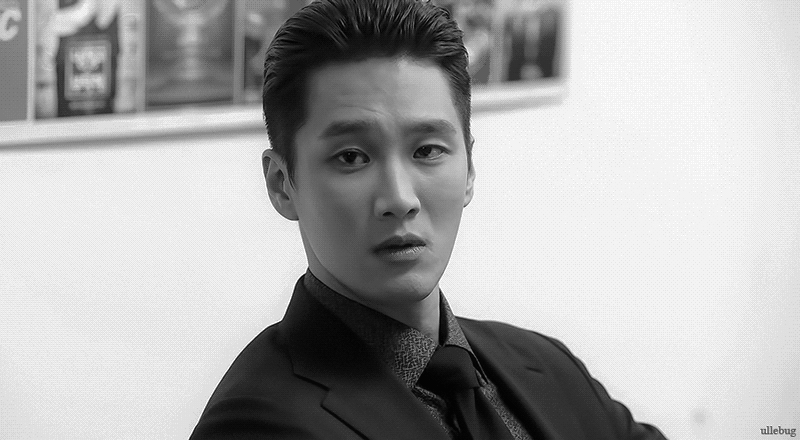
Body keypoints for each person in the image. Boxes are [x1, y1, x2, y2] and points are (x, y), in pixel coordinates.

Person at [190, 0, 667, 438]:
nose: (399, 199)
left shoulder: (548, 367)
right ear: (281, 184)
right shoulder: (257, 424)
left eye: (427, 150)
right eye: (352, 157)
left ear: (470, 169)